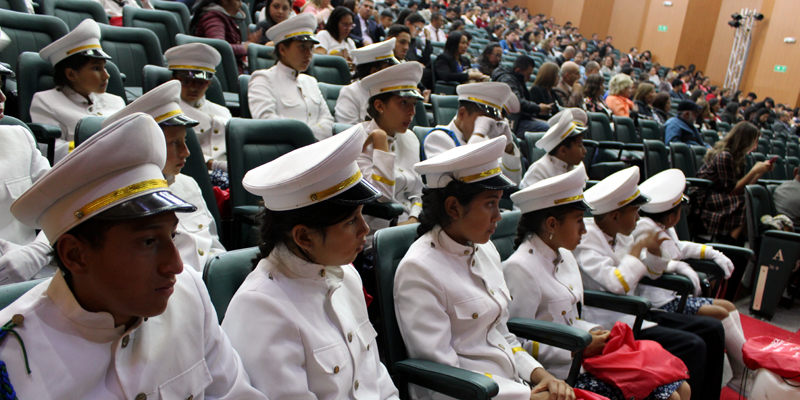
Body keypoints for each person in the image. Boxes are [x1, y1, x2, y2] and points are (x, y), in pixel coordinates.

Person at [1, 113, 267, 399]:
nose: (177, 265)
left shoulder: (188, 294)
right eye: (148, 241)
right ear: (75, 255)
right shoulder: (14, 354)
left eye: (173, 236)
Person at [221, 127, 399, 399]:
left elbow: (377, 379)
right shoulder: (262, 307)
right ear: (304, 236)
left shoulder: (345, 275)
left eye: (361, 216)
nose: (365, 229)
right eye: (351, 221)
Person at [396, 137, 576, 400]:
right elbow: (442, 380)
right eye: (490, 203)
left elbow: (502, 336)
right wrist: (528, 398)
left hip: (512, 386)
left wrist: (542, 375)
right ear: (454, 207)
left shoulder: (485, 248)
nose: (499, 216)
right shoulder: (419, 269)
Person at [505, 167, 692, 400]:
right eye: (578, 221)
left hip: (587, 357)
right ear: (552, 224)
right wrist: (578, 347)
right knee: (670, 397)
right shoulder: (520, 267)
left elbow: (570, 318)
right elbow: (519, 339)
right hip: (561, 373)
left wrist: (591, 331)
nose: (584, 229)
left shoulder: (564, 255)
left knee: (681, 388)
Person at [574, 166, 727, 400]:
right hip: (609, 323)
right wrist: (637, 249)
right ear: (616, 216)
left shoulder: (620, 233)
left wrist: (653, 252)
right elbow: (618, 285)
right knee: (694, 345)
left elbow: (654, 273)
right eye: (635, 211)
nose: (638, 217)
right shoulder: (587, 240)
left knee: (713, 329)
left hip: (635, 314)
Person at [633, 168, 750, 394]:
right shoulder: (647, 230)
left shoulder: (661, 225)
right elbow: (653, 263)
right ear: (670, 215)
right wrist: (677, 266)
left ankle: (742, 372)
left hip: (670, 295)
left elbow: (680, 247)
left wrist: (711, 252)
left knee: (728, 307)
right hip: (657, 301)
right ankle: (744, 372)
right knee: (721, 314)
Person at [101, 80, 225, 273]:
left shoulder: (188, 183)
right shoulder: (125, 199)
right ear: (144, 146)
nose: (186, 152)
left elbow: (214, 247)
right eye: (173, 143)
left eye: (184, 141)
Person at [30, 19, 126, 163]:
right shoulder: (45, 101)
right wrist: (100, 146)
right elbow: (50, 151)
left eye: (104, 67)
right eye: (96, 68)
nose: (106, 75)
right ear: (71, 74)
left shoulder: (116, 101)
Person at [355, 62, 426, 246]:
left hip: (411, 228)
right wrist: (380, 142)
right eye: (403, 103)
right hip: (377, 237)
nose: (412, 112)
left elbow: (417, 192)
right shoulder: (358, 140)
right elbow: (381, 196)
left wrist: (414, 218)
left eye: (414, 104)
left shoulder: (410, 138)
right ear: (379, 105)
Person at [0, 59, 55, 285]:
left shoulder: (18, 138)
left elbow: (63, 201)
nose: (3, 97)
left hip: (39, 273)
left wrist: (40, 250)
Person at [249, 14, 334, 140]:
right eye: (302, 47)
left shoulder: (310, 82)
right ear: (282, 50)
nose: (308, 54)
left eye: (311, 47)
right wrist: (306, 136)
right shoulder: (263, 79)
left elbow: (328, 121)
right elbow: (266, 122)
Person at [423, 82, 523, 184]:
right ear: (462, 114)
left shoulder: (484, 140)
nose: (487, 126)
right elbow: (459, 185)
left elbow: (513, 182)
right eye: (482, 120)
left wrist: (508, 147)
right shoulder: (438, 138)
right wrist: (478, 134)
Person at [165, 43, 233, 189]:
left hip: (231, 173)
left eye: (200, 83)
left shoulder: (222, 111)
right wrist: (213, 163)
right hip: (191, 176)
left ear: (208, 83)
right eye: (187, 82)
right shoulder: (167, 111)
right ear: (174, 80)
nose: (193, 88)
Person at [697, 121, 774, 245]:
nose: (755, 145)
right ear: (745, 140)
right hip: (707, 196)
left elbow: (744, 188)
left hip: (722, 193)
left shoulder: (738, 157)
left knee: (749, 197)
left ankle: (739, 241)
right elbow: (732, 190)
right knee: (745, 201)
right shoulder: (725, 156)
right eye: (754, 140)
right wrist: (753, 171)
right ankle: (729, 242)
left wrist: (759, 172)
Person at [335, 38, 398, 124]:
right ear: (374, 72)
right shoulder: (350, 93)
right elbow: (348, 132)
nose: (393, 74)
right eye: (389, 69)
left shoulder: (391, 93)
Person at [520, 109, 587, 188]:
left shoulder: (578, 165)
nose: (584, 151)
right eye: (580, 146)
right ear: (563, 151)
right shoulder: (539, 171)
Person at [491, 55, 552, 135]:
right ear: (519, 71)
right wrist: (538, 108)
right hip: (512, 120)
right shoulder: (508, 80)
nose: (530, 78)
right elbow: (517, 103)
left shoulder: (513, 79)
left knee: (550, 126)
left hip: (518, 118)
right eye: (529, 74)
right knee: (547, 128)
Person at [190, 0, 255, 75]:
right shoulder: (214, 18)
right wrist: (245, 48)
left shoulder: (222, 16)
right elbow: (219, 47)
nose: (240, 5)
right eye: (237, 1)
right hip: (222, 73)